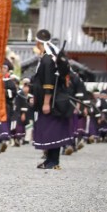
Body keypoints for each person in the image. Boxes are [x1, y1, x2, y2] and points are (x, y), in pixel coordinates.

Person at [31, 29, 73, 170]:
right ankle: (49, 159)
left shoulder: (48, 59)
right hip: (46, 100)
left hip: (51, 102)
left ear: (38, 42)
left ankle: (53, 161)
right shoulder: (49, 57)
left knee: (52, 131)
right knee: (49, 130)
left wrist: (46, 103)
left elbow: (48, 83)